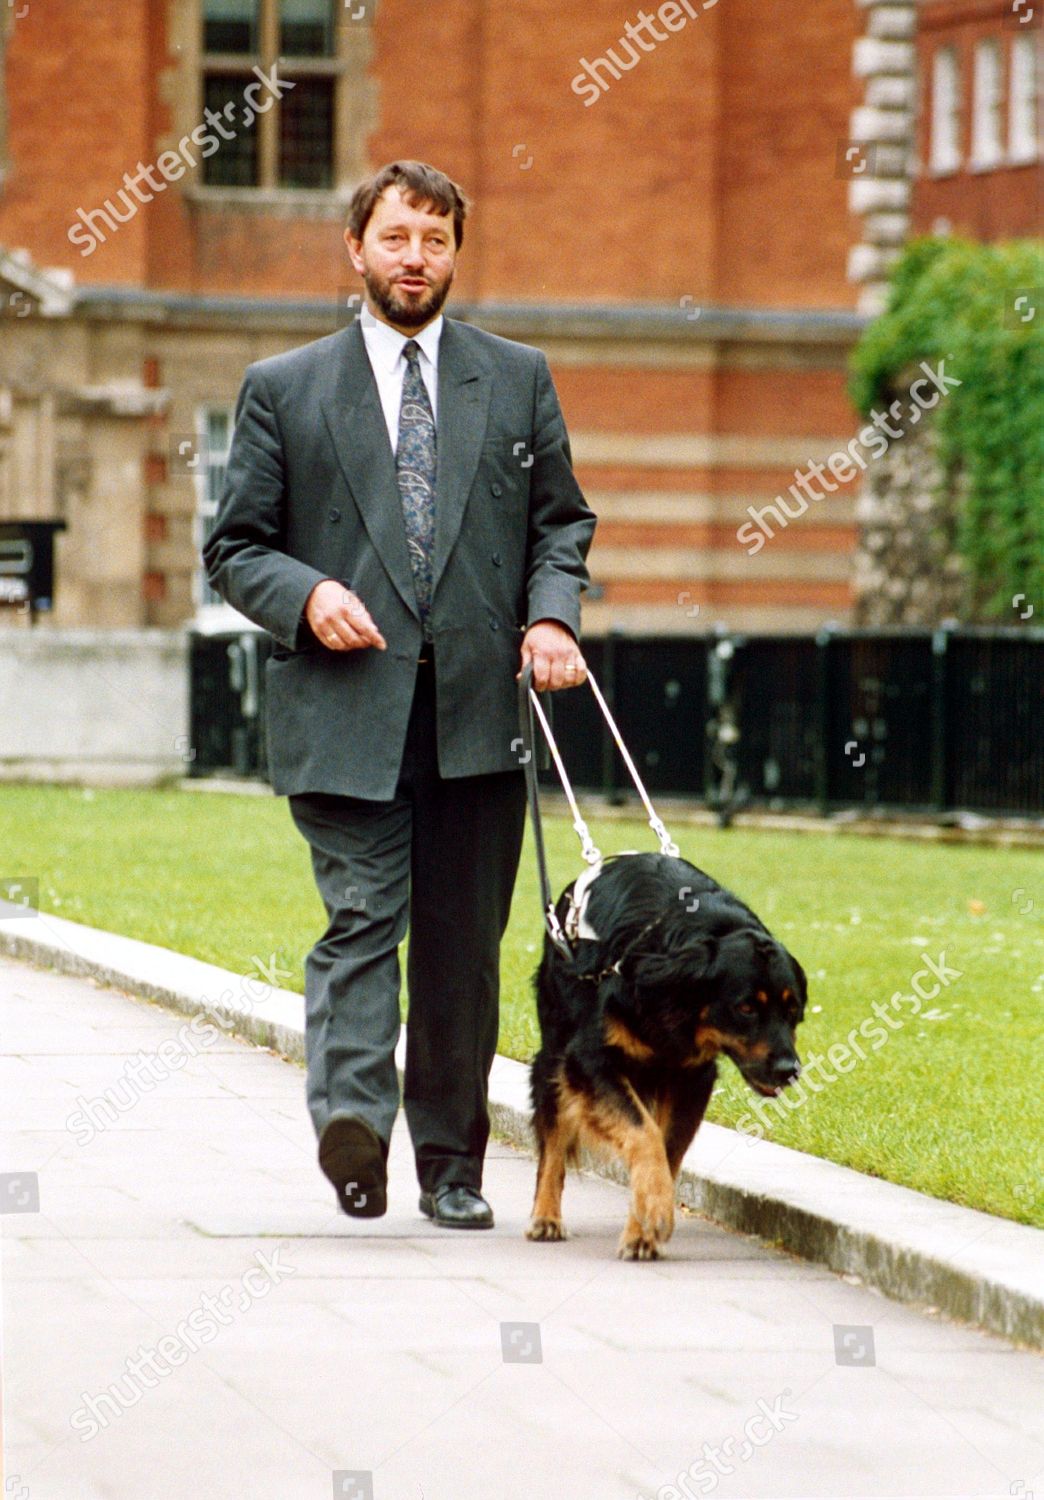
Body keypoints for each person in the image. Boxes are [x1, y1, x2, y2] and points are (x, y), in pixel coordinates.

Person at [203, 160, 597, 1230]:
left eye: (435, 239)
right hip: (343, 710)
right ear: (356, 249)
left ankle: (451, 1165)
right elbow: (235, 547)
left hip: (479, 716)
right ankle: (356, 1131)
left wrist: (552, 614)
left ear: (455, 253)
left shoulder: (515, 378)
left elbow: (561, 522)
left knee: (464, 952)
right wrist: (307, 591)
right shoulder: (285, 388)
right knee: (363, 921)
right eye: (396, 238)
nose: (415, 258)